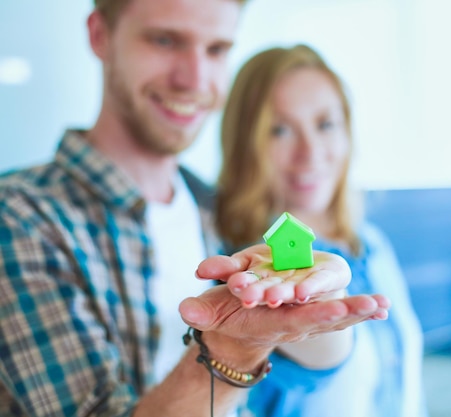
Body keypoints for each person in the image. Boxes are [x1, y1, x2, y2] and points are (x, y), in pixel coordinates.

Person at [0, 1, 392, 416]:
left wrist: (320, 304)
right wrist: (235, 348)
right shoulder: (21, 218)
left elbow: (305, 377)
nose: (194, 78)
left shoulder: (222, 214)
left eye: (217, 49)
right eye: (165, 40)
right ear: (100, 35)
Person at [215, 44, 427, 417]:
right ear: (245, 145)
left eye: (325, 124)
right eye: (279, 130)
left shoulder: (371, 244)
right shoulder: (253, 276)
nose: (309, 152)